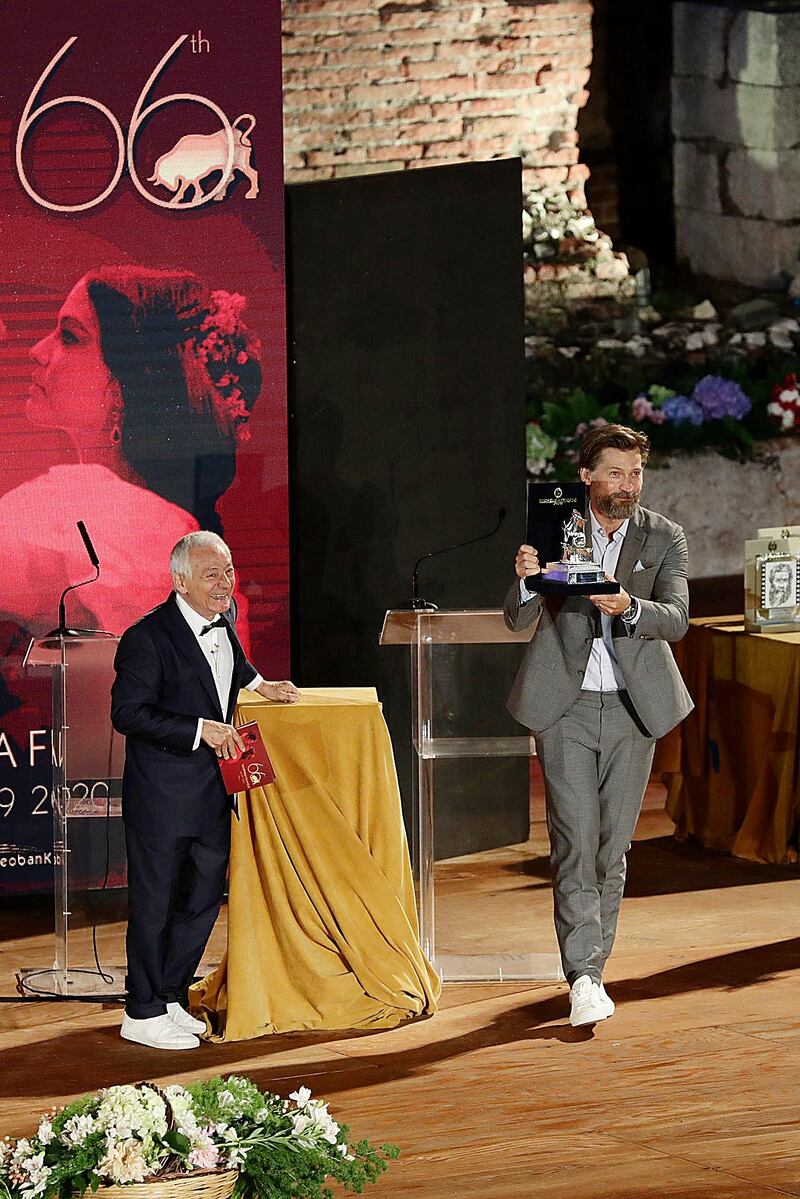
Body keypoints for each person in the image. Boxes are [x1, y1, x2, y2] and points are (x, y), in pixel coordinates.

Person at [505, 424, 693, 1028]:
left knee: (612, 846)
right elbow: (516, 619)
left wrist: (628, 606)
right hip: (568, 707)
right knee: (575, 841)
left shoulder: (663, 537)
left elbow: (678, 618)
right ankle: (583, 975)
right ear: (586, 476)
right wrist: (529, 578)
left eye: (635, 474)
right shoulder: (556, 526)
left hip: (636, 711)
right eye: (615, 473)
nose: (627, 485)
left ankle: (594, 967)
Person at [111, 530, 300, 1050]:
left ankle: (171, 994)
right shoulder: (146, 638)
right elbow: (127, 713)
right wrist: (201, 729)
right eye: (212, 574)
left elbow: (231, 664)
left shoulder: (226, 618)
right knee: (155, 904)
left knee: (199, 901)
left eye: (230, 570)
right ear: (180, 581)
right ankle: (141, 1010)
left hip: (214, 795)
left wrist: (263, 685)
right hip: (162, 798)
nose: (226, 583)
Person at [0, 265, 261, 642]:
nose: (37, 351)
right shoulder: (156, 527)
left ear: (124, 383)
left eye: (70, 337)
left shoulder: (123, 521)